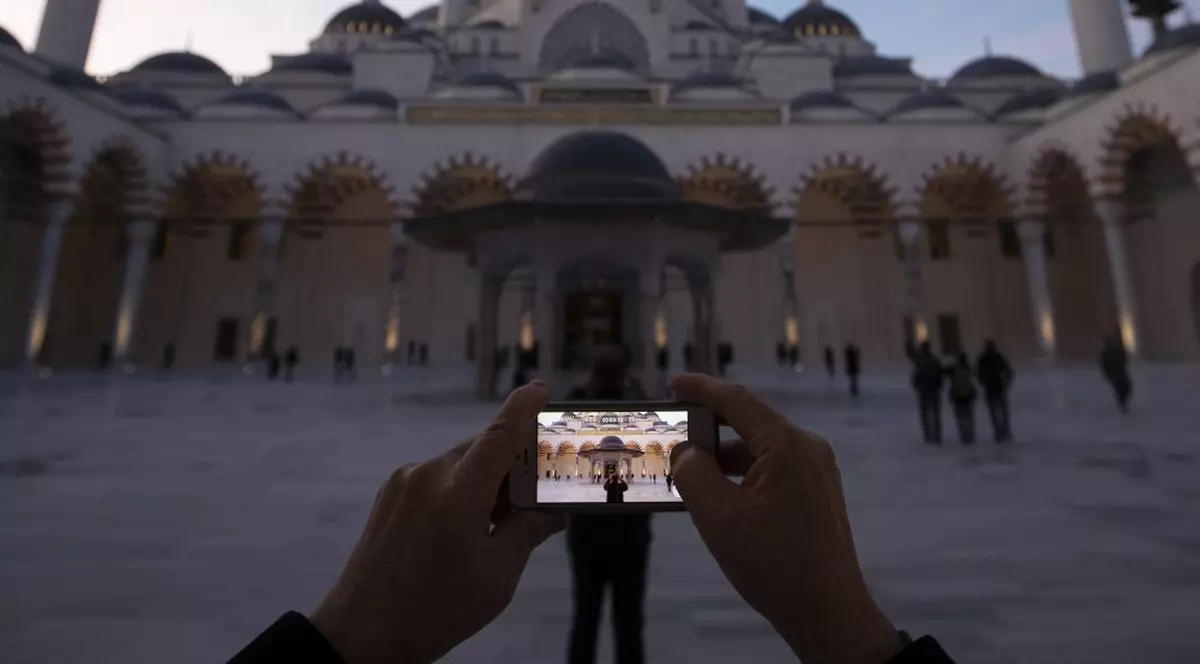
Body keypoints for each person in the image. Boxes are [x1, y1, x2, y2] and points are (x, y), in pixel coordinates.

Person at [229, 376, 956, 664]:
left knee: (595, 620)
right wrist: (853, 641)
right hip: (625, 544)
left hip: (596, 545)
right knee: (619, 621)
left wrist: (344, 645)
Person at [563, 345, 650, 664]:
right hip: (631, 533)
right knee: (629, 620)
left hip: (586, 531)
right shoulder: (637, 407)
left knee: (586, 615)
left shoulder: (576, 405)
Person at [975, 340, 1013, 443]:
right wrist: (1006, 382)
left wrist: (984, 382)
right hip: (999, 387)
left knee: (994, 413)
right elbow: (1008, 370)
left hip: (991, 389)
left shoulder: (983, 359)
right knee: (1003, 412)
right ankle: (1005, 432)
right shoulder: (998, 357)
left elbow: (978, 374)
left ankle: (999, 432)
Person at [908, 341, 944, 444]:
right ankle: (937, 434)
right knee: (935, 413)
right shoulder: (934, 360)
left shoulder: (920, 361)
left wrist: (916, 385)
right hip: (933, 389)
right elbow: (940, 374)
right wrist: (939, 385)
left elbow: (916, 375)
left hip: (924, 390)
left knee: (925, 414)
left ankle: (928, 434)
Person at [946, 353, 977, 446]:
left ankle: (964, 435)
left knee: (960, 417)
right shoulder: (968, 369)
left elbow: (943, 372)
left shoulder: (953, 369)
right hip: (967, 396)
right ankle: (970, 435)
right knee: (969, 417)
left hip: (957, 396)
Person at [1100, 336, 1132, 413]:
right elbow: (1104, 364)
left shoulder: (1117, 350)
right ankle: (1122, 402)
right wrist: (1107, 373)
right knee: (1120, 388)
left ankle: (1122, 401)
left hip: (1120, 371)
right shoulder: (1105, 352)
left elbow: (1124, 357)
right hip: (1113, 372)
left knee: (1126, 387)